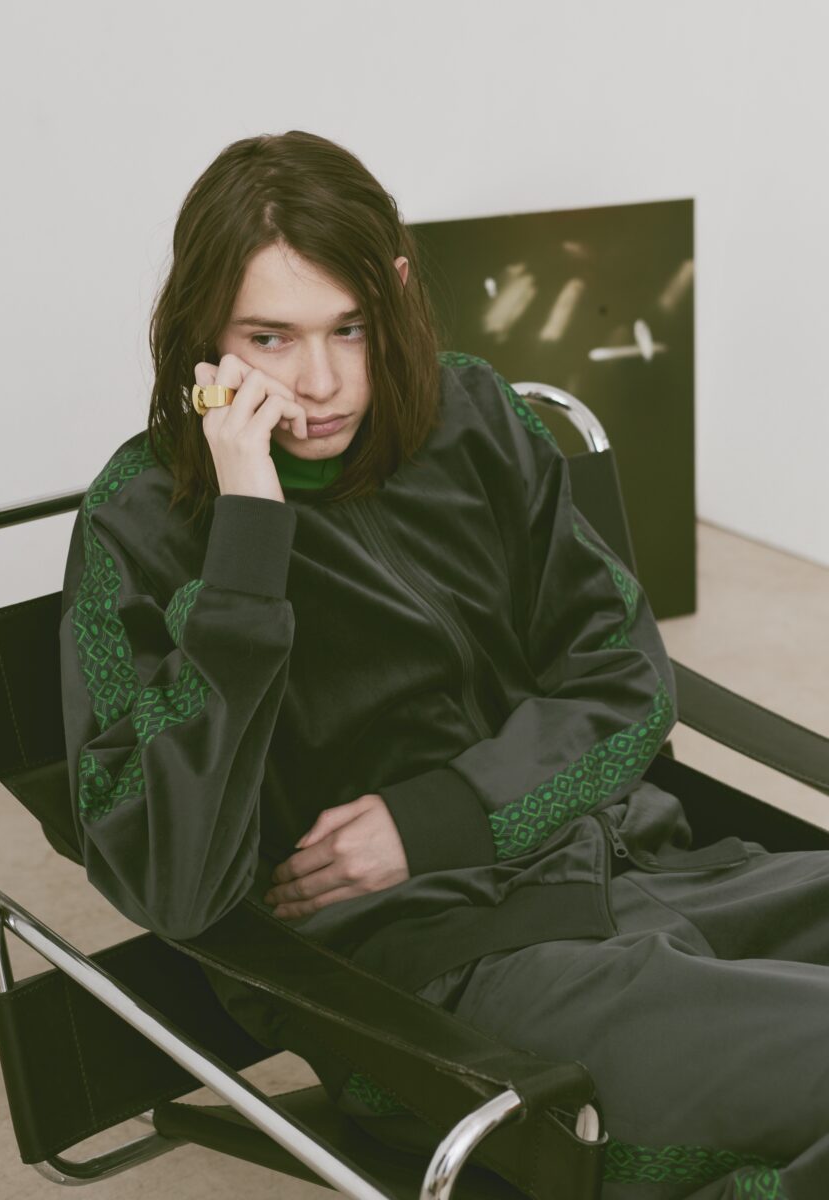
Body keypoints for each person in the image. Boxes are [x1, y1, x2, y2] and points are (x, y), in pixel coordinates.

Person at [58, 129, 829, 1200]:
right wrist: (246, 547)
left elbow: (622, 674)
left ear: (398, 292)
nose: (320, 382)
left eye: (351, 327)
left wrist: (438, 818)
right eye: (270, 338)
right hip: (445, 983)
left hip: (646, 869)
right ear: (203, 337)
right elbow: (175, 883)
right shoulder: (141, 523)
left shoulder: (474, 416)